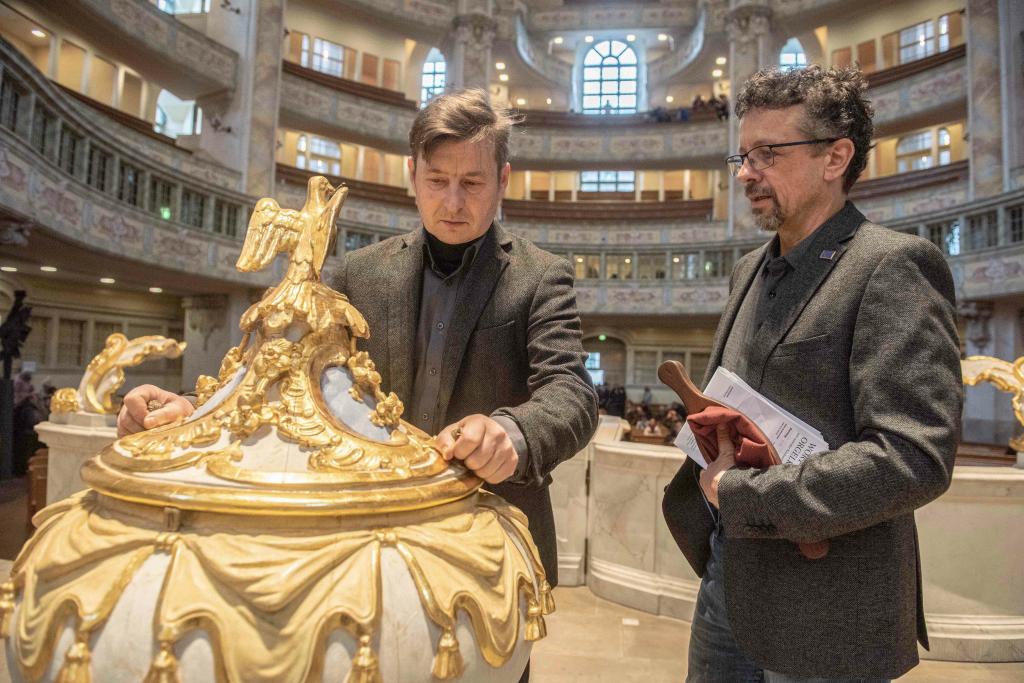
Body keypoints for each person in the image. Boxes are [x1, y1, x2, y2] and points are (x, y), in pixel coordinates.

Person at [118, 89, 598, 682]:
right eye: (437, 179)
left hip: (488, 544)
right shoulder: (354, 272)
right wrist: (194, 411)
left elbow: (572, 391)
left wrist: (512, 430)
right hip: (371, 548)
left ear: (503, 180)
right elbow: (283, 370)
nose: (452, 202)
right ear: (410, 175)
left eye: (472, 183)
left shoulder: (540, 275)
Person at [661, 65, 961, 683]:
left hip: (830, 607)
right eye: (743, 155)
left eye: (768, 153)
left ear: (836, 158)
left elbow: (913, 456)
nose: (747, 173)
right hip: (731, 577)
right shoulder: (749, 268)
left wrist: (741, 493)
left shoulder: (892, 266)